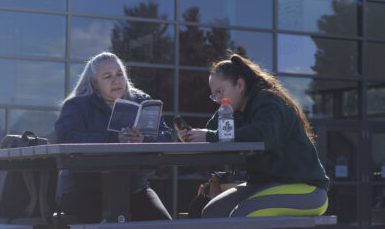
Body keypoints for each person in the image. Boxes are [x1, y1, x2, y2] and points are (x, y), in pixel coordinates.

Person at [177, 54, 329, 218]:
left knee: (242, 215)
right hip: (263, 184)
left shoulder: (269, 102)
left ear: (240, 84)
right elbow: (212, 131)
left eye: (220, 91)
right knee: (212, 213)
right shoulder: (231, 109)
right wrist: (191, 135)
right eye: (214, 94)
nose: (218, 99)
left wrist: (208, 136)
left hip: (306, 188)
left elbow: (259, 136)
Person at [55, 52, 173, 223]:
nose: (116, 80)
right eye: (107, 76)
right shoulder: (76, 105)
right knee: (106, 222)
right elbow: (66, 137)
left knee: (163, 224)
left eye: (119, 74)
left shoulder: (142, 101)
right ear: (94, 83)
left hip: (133, 188)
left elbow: (168, 137)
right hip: (82, 188)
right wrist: (115, 138)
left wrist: (144, 140)